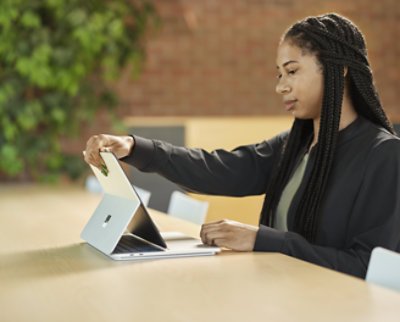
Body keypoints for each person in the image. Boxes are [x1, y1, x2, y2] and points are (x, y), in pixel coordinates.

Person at [84, 13, 400, 278]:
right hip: (280, 294)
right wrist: (134, 147)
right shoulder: (293, 146)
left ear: (340, 70)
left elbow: (368, 267)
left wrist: (263, 239)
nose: (281, 86)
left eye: (292, 71)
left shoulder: (383, 155)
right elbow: (219, 169)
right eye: (279, 74)